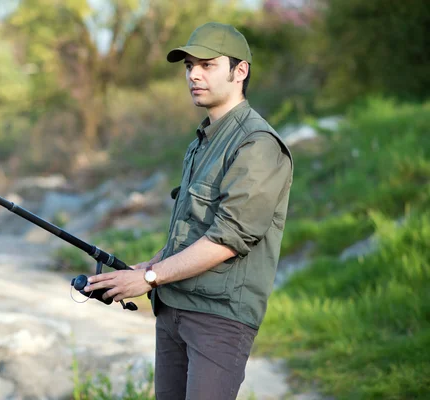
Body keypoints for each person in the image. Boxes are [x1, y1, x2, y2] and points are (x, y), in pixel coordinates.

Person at [84, 22, 293, 400]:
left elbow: (228, 238)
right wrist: (139, 270)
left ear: (239, 71)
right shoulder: (201, 141)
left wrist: (149, 278)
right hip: (173, 310)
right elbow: (193, 233)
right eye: (189, 66)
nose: (193, 74)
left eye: (208, 65)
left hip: (218, 320)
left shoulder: (257, 144)